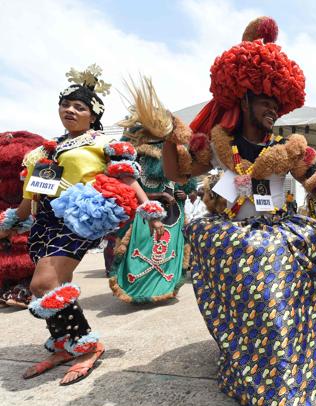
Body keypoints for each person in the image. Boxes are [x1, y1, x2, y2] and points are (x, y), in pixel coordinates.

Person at [128, 17, 316, 406]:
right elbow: (181, 172)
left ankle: (300, 358)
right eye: (265, 101)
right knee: (259, 287)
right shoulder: (218, 144)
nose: (273, 109)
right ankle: (252, 359)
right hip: (234, 231)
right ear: (244, 100)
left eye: (277, 103)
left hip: (282, 231)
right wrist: (166, 139)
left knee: (311, 277)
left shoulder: (290, 147)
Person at [0, 65, 165, 385]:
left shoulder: (103, 144)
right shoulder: (47, 150)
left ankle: (89, 344)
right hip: (45, 221)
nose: (70, 110)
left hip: (79, 217)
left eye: (80, 106)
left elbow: (127, 178)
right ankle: (65, 344)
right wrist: (12, 222)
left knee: (41, 285)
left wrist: (151, 212)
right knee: (54, 287)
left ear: (93, 115)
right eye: (66, 104)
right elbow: (32, 193)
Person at [108, 125, 195, 303]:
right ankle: (138, 291)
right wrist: (157, 196)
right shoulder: (135, 158)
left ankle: (164, 288)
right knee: (140, 249)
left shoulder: (176, 156)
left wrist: (182, 194)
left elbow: (185, 184)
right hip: (143, 217)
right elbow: (127, 189)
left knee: (170, 251)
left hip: (173, 216)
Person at [0, 131, 45, 308]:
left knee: (25, 248)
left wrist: (15, 219)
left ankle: (28, 286)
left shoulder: (38, 164)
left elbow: (35, 196)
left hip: (29, 210)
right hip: (9, 211)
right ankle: (8, 286)